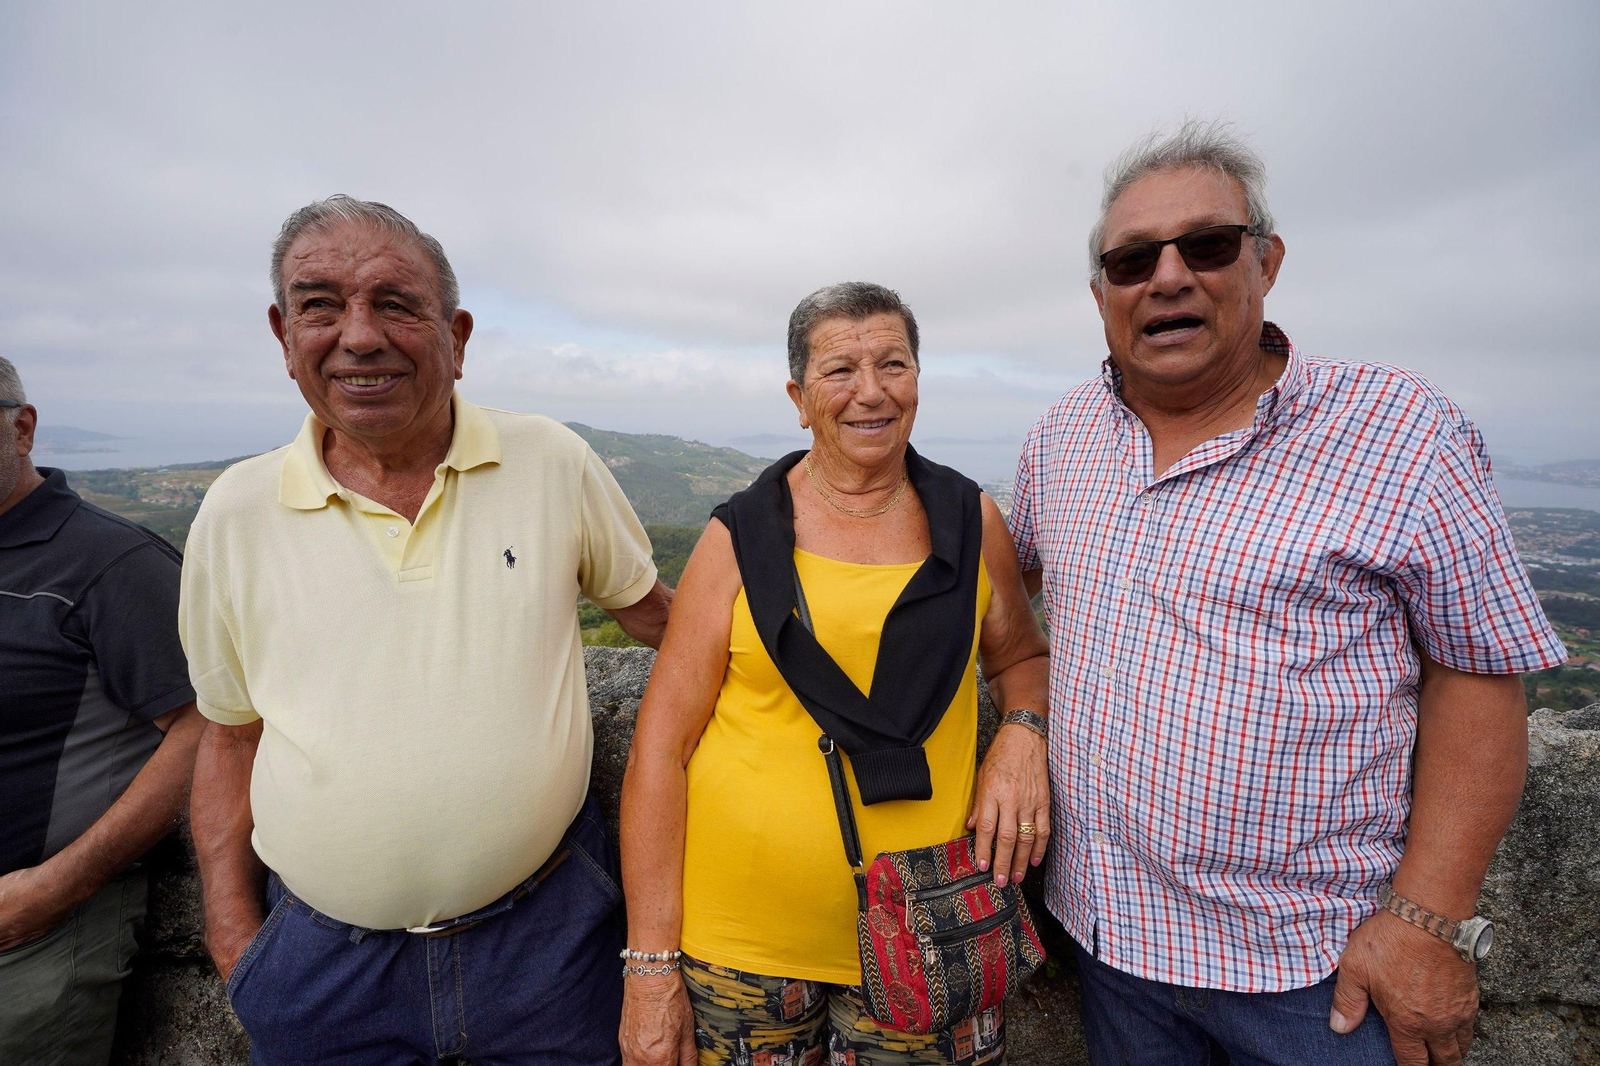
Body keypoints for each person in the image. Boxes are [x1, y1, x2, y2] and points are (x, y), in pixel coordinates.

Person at [1010, 120, 1568, 1066]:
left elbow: (1478, 675)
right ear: (1102, 293)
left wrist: (1430, 922)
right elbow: (996, 601)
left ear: (1267, 260)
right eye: (1134, 259)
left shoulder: (1399, 432)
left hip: (1316, 974)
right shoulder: (1062, 438)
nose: (1170, 276)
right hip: (1109, 948)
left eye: (1209, 245)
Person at [180, 195, 672, 1065]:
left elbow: (663, 623)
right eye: (319, 305)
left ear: (458, 335)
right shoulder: (235, 513)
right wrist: (236, 944)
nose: (359, 336)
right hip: (324, 971)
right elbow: (228, 735)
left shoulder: (550, 461)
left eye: (396, 304)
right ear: (282, 333)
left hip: (547, 945)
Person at [619, 283, 1051, 1066]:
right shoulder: (737, 538)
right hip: (741, 951)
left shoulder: (969, 519)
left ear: (918, 378)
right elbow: (658, 749)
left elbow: (1021, 656)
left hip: (933, 936)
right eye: (840, 370)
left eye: (894, 363)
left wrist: (1021, 733)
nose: (871, 392)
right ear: (798, 396)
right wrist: (649, 970)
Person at [0, 356, 204, 1064]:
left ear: (22, 429)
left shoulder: (112, 564)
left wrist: (59, 886)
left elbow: (207, 728)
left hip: (31, 942)